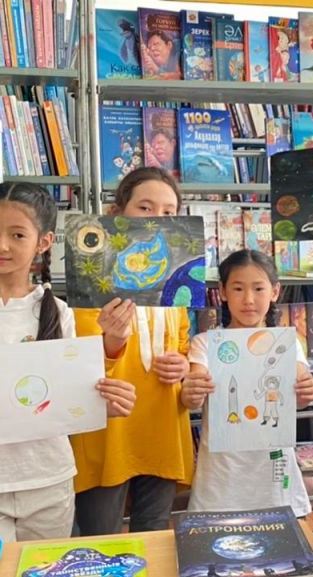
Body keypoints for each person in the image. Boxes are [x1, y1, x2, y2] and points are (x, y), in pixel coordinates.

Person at [0, 182, 136, 543]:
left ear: (44, 241)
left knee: (43, 570)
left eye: (17, 235)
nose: (1, 245)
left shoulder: (58, 311)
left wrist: (102, 400)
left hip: (48, 478)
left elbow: (70, 395)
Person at [70, 167, 195, 535]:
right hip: (109, 430)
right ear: (116, 213)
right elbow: (77, 358)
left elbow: (182, 343)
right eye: (145, 207)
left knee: (154, 532)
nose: (157, 219)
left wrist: (183, 365)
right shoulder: (90, 279)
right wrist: (112, 341)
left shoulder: (175, 280)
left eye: (169, 212)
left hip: (162, 422)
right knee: (101, 536)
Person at [180, 249, 313, 518]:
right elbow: (192, 399)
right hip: (222, 476)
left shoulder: (287, 344)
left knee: (280, 539)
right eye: (238, 288)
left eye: (258, 288)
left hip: (273, 474)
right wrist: (191, 392)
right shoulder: (205, 344)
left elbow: (299, 399)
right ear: (222, 291)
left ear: (275, 291)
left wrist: (306, 392)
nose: (248, 300)